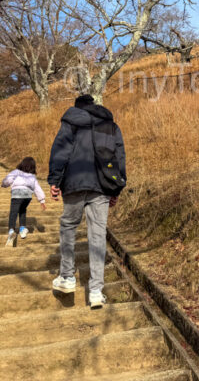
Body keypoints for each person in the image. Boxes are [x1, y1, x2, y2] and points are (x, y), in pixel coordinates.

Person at [47, 94, 126, 308]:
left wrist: (55, 180)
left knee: (68, 226)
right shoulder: (110, 125)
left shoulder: (71, 121)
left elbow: (60, 151)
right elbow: (119, 157)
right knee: (98, 233)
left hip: (74, 183)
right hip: (101, 186)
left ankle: (67, 276)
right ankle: (96, 291)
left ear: (78, 107)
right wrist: (116, 188)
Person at [1, 156, 47, 246]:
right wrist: (42, 200)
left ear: (22, 164)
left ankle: (11, 230)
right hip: (27, 196)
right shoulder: (32, 176)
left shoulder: (17, 172)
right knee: (22, 210)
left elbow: (8, 179)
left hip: (17, 194)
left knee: (13, 212)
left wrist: (4, 184)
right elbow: (37, 188)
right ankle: (22, 229)